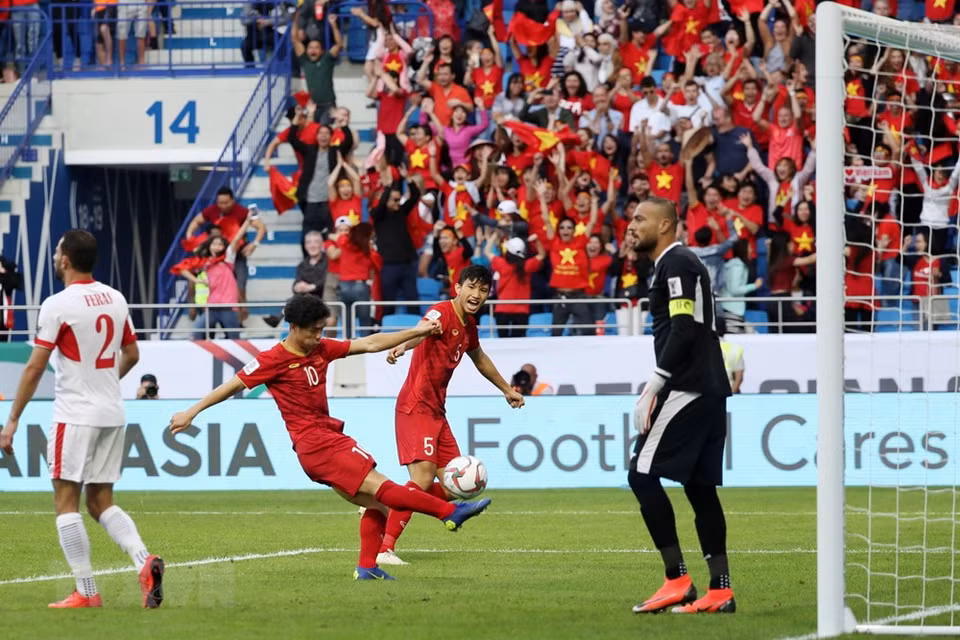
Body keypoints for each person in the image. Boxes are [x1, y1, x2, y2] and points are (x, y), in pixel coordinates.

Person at [168, 294, 491, 580]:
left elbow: (370, 343)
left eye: (322, 330)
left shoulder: (321, 349)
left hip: (327, 440)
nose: (318, 336)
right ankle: (449, 512)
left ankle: (367, 567)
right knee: (385, 488)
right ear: (294, 327)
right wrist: (191, 412)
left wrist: (417, 332)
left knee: (379, 504)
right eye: (313, 331)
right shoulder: (272, 359)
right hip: (317, 445)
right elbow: (232, 386)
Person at [0, 230, 164, 609]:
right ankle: (144, 560)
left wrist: (12, 421)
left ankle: (87, 592)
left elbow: (35, 368)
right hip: (112, 412)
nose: (55, 258)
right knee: (100, 501)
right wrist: (105, 384)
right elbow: (132, 354)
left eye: (58, 252)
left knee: (66, 501)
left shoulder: (58, 305)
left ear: (65, 260)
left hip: (74, 414)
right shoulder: (115, 298)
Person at [625, 198, 735, 615]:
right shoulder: (679, 264)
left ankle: (676, 579)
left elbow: (684, 327)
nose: (632, 225)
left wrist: (655, 383)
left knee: (641, 474)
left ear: (665, 225)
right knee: (700, 489)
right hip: (709, 387)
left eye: (640, 219)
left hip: (688, 387)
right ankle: (720, 590)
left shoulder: (676, 262)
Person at [376, 266, 525, 566]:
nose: (477, 294)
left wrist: (507, 389)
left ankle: (387, 501)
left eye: (483, 290)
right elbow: (421, 330)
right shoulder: (442, 312)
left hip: (437, 412)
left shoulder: (468, 326)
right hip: (416, 406)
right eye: (472, 287)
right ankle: (384, 549)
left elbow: (480, 359)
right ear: (457, 288)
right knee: (421, 479)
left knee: (454, 486)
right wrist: (402, 346)